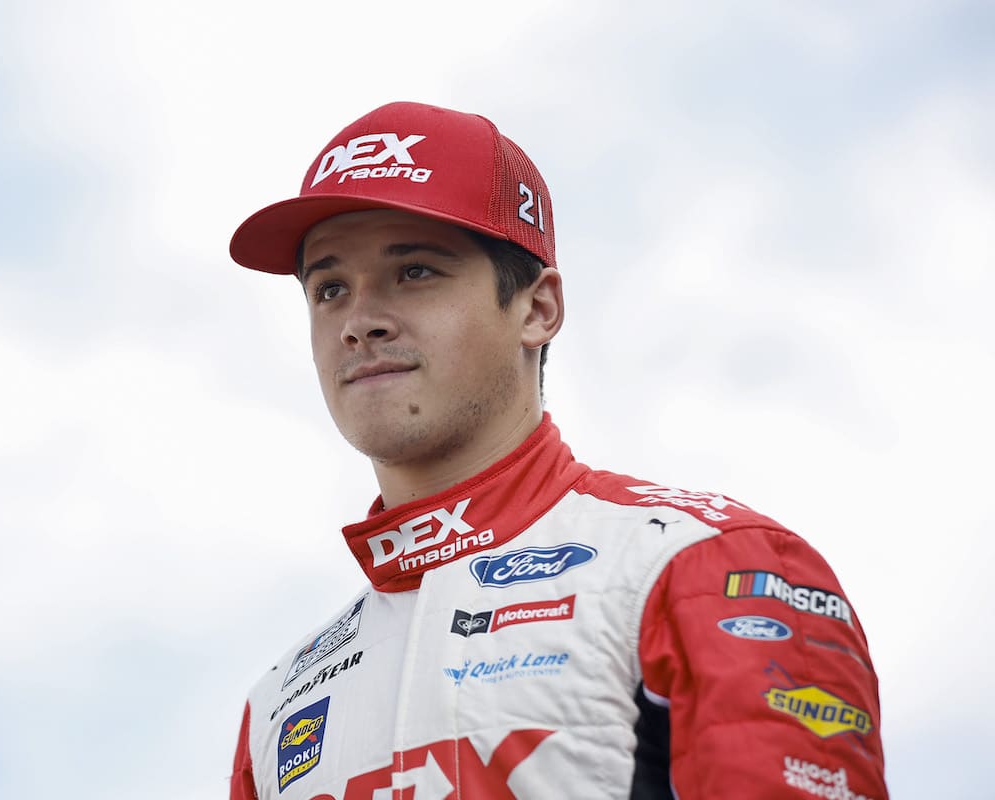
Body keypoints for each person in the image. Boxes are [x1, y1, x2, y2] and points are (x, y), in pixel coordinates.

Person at [225, 101, 887, 800]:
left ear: (537, 309)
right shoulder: (278, 705)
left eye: (415, 272)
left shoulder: (699, 567)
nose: (359, 323)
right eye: (330, 289)